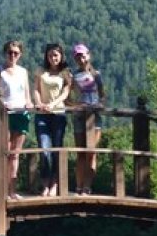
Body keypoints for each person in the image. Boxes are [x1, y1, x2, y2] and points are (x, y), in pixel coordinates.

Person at [0, 40, 33, 199]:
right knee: (4, 153)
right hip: (5, 115)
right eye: (10, 52)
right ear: (5, 53)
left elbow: (26, 93)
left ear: (20, 54)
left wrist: (29, 103)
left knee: (15, 154)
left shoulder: (23, 71)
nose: (12, 55)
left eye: (16, 53)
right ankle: (1, 191)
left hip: (21, 114)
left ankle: (12, 191)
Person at [32, 43, 71, 197]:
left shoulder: (65, 73)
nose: (53, 58)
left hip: (58, 113)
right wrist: (39, 103)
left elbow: (66, 92)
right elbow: (35, 88)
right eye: (50, 55)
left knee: (56, 150)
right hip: (42, 114)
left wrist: (53, 104)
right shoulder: (41, 71)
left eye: (56, 55)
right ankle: (45, 184)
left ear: (61, 56)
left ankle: (54, 184)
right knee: (44, 149)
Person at [71, 42, 105, 195]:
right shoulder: (74, 76)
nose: (81, 59)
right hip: (79, 115)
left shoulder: (96, 75)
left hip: (94, 117)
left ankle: (87, 186)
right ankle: (79, 186)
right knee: (80, 153)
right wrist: (75, 105)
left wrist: (99, 104)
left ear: (88, 55)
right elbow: (68, 96)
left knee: (92, 152)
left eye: (83, 56)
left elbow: (103, 95)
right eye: (78, 57)